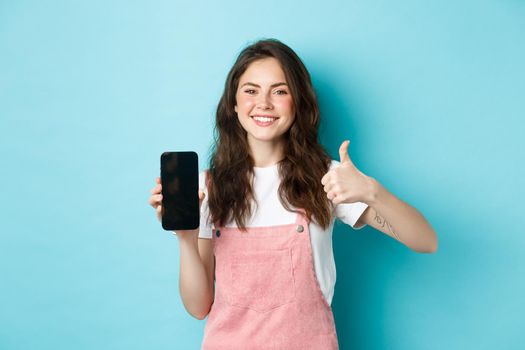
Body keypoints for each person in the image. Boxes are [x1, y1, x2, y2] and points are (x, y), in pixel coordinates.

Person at [148, 38, 438, 350]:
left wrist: (372, 192)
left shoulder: (327, 177)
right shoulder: (208, 188)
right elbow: (198, 306)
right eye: (251, 90)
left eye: (280, 91)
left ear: (297, 102)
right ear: (233, 103)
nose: (264, 103)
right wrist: (185, 237)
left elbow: (425, 241)